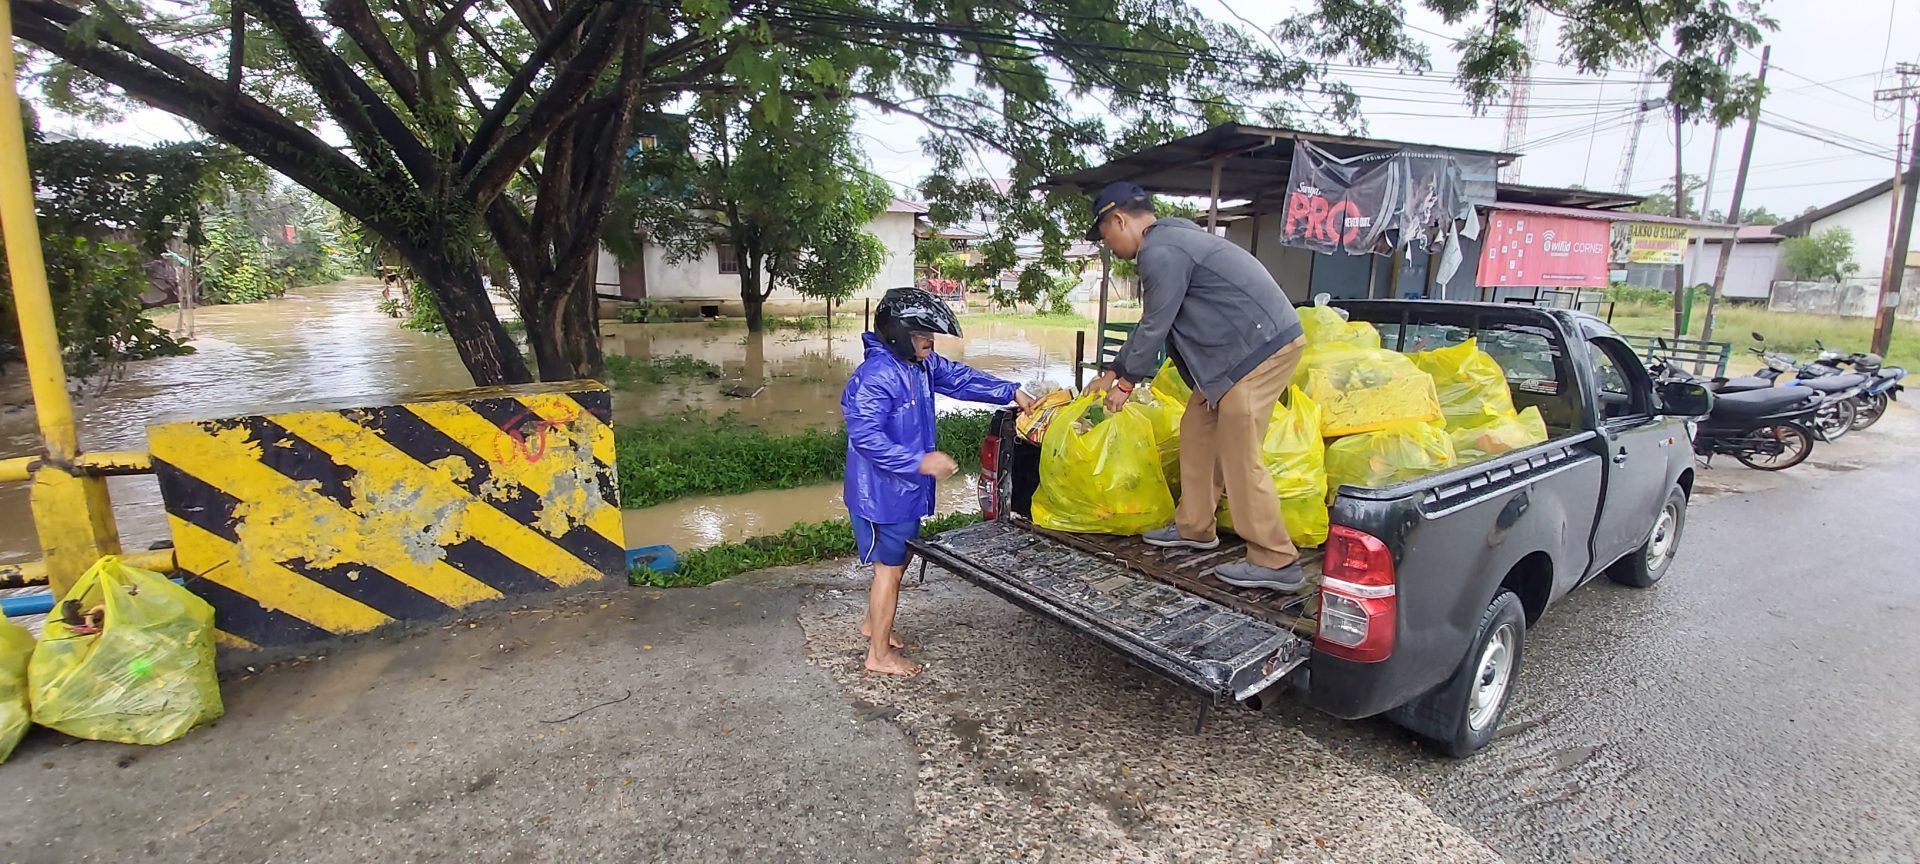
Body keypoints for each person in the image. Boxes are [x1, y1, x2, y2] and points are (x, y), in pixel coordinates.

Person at [1083, 181, 1310, 591]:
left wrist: (1126, 384)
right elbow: (1151, 321)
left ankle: (1275, 558)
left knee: (1238, 448)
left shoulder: (1161, 250)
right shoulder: (1169, 241)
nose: (1110, 246)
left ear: (1119, 220)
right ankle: (1195, 525)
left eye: (1106, 237)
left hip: (1259, 350)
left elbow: (1157, 324)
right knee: (1198, 426)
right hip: (1230, 358)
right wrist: (1115, 370)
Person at [843, 287, 1035, 676]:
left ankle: (871, 625)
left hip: (907, 489)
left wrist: (1011, 391)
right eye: (923, 337)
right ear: (898, 334)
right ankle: (878, 655)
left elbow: (961, 379)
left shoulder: (919, 363)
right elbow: (866, 438)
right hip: (882, 494)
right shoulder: (876, 376)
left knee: (901, 557)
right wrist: (919, 461)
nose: (931, 344)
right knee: (889, 569)